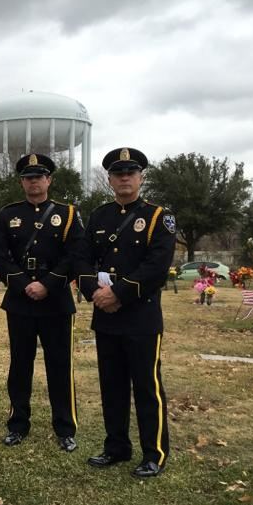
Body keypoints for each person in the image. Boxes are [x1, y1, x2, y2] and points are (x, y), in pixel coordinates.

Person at [76, 147, 176, 478]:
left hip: (141, 317)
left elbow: (157, 267)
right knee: (112, 385)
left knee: (147, 387)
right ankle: (116, 446)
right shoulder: (99, 217)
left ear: (140, 177)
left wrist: (118, 293)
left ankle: (155, 453)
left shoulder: (159, 216)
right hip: (106, 317)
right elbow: (82, 259)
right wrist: (95, 293)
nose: (124, 178)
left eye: (130, 173)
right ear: (109, 179)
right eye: (118, 174)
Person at [0, 154, 85, 452]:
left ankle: (65, 427)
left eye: (39, 176)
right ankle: (17, 424)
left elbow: (76, 254)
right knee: (20, 366)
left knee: (60, 366)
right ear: (21, 181)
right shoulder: (8, 214)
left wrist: (47, 284)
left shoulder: (68, 214)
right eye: (28, 176)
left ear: (49, 180)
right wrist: (22, 283)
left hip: (56, 301)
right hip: (20, 301)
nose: (34, 181)